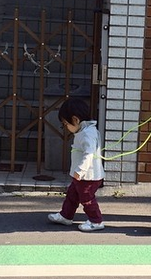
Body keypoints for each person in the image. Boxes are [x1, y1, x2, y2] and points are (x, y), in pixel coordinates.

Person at [48, 97, 106, 232]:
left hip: (88, 176)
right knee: (72, 195)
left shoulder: (87, 134)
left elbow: (89, 153)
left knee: (87, 198)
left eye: (65, 124)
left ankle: (96, 221)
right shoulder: (84, 131)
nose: (66, 128)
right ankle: (66, 216)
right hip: (83, 176)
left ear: (75, 120)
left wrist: (80, 170)